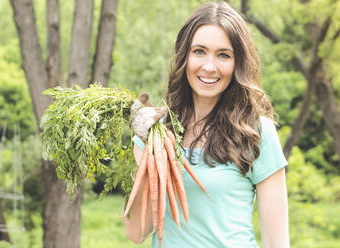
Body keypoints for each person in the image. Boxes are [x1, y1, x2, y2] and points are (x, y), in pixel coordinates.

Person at [123, 1, 290, 247]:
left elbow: (277, 243)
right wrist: (147, 148)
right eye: (199, 51)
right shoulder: (157, 131)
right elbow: (136, 231)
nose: (209, 67)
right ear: (184, 56)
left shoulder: (256, 132)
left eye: (223, 55)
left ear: (237, 64)